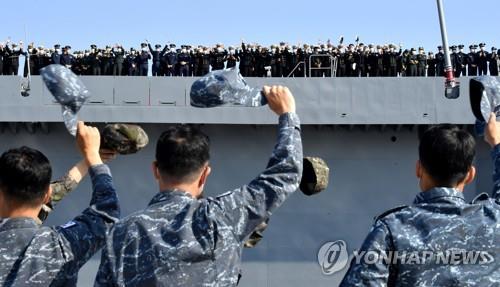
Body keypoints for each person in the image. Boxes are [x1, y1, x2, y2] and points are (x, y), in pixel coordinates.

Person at [94, 86, 302, 286]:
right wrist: (287, 114)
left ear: (156, 170)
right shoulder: (224, 216)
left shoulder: (120, 234)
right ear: (204, 175)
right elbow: (285, 174)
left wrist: (92, 160)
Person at [340, 117, 500, 286]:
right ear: (470, 175)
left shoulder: (392, 229)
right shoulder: (495, 219)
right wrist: (496, 143)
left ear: (419, 169)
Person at [0, 122, 120, 286]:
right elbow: (107, 212)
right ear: (47, 195)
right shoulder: (62, 245)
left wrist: (88, 160)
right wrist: (93, 157)